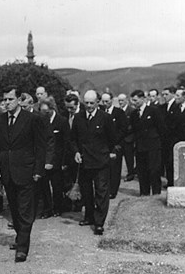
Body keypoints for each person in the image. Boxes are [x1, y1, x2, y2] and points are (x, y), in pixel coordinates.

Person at [0, 85, 46, 262]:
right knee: (14, 210)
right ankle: (20, 236)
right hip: (7, 172)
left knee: (25, 211)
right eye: (5, 100)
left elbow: (40, 147)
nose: (7, 103)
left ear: (19, 100)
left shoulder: (31, 119)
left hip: (26, 171)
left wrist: (38, 170)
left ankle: (22, 247)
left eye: (10, 99)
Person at [71, 90, 116, 235]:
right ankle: (89, 216)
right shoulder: (78, 118)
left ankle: (99, 222)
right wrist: (76, 152)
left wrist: (105, 153)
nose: (89, 106)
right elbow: (73, 139)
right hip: (84, 161)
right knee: (86, 191)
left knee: (101, 192)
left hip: (101, 161)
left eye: (92, 103)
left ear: (98, 102)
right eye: (86, 103)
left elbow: (112, 139)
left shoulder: (105, 118)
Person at [39, 96, 71, 217]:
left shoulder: (62, 121)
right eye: (42, 112)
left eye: (47, 112)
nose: (45, 114)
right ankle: (47, 209)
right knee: (44, 186)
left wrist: (64, 162)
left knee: (57, 185)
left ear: (52, 109)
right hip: (44, 159)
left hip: (57, 160)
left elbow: (66, 142)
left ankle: (58, 207)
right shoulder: (40, 121)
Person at [130, 90, 166, 196]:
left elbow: (162, 128)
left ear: (142, 99)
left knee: (154, 171)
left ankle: (156, 194)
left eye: (136, 100)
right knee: (142, 172)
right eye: (132, 100)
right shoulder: (134, 114)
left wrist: (160, 145)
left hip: (153, 146)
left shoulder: (154, 111)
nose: (134, 103)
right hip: (140, 147)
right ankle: (144, 194)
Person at [101, 92, 127, 199]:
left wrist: (115, 141)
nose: (105, 103)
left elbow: (123, 129)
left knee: (115, 169)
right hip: (103, 145)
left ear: (112, 100)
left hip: (116, 145)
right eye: (103, 101)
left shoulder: (119, 112)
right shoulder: (100, 112)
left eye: (107, 101)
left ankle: (113, 190)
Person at [160, 86, 178, 187]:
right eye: (163, 94)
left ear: (172, 94)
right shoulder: (162, 107)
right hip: (165, 139)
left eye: (166, 94)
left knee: (173, 162)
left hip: (174, 138)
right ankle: (170, 182)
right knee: (167, 162)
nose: (164, 96)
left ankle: (174, 182)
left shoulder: (177, 106)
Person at [117, 93, 136, 181]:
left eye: (122, 100)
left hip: (129, 138)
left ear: (126, 100)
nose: (120, 102)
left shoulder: (132, 111)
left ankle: (131, 173)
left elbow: (133, 125)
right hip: (120, 140)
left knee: (129, 158)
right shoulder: (117, 111)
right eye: (119, 100)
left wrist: (124, 132)